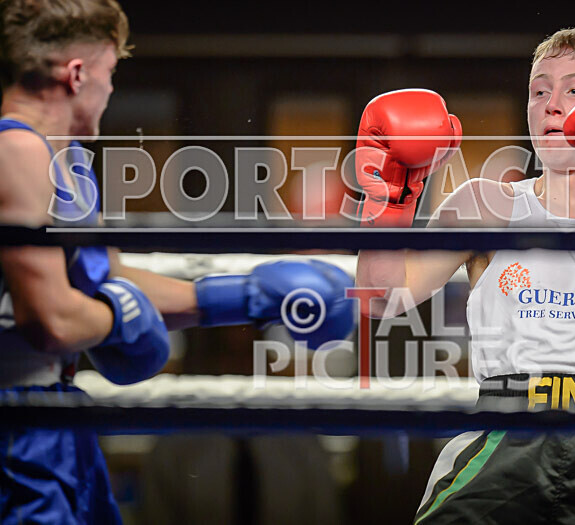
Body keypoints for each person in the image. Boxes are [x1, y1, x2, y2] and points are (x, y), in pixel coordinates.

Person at [0, 1, 355, 522]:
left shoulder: (67, 159)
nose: (111, 90)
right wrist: (123, 317)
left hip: (53, 412)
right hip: (15, 418)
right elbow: (51, 319)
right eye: (109, 73)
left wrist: (248, 293)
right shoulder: (15, 152)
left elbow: (108, 276)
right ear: (77, 74)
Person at [355, 28, 575, 523]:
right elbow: (381, 298)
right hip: (503, 435)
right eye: (539, 90)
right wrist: (391, 200)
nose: (552, 104)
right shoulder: (485, 205)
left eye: (574, 89)